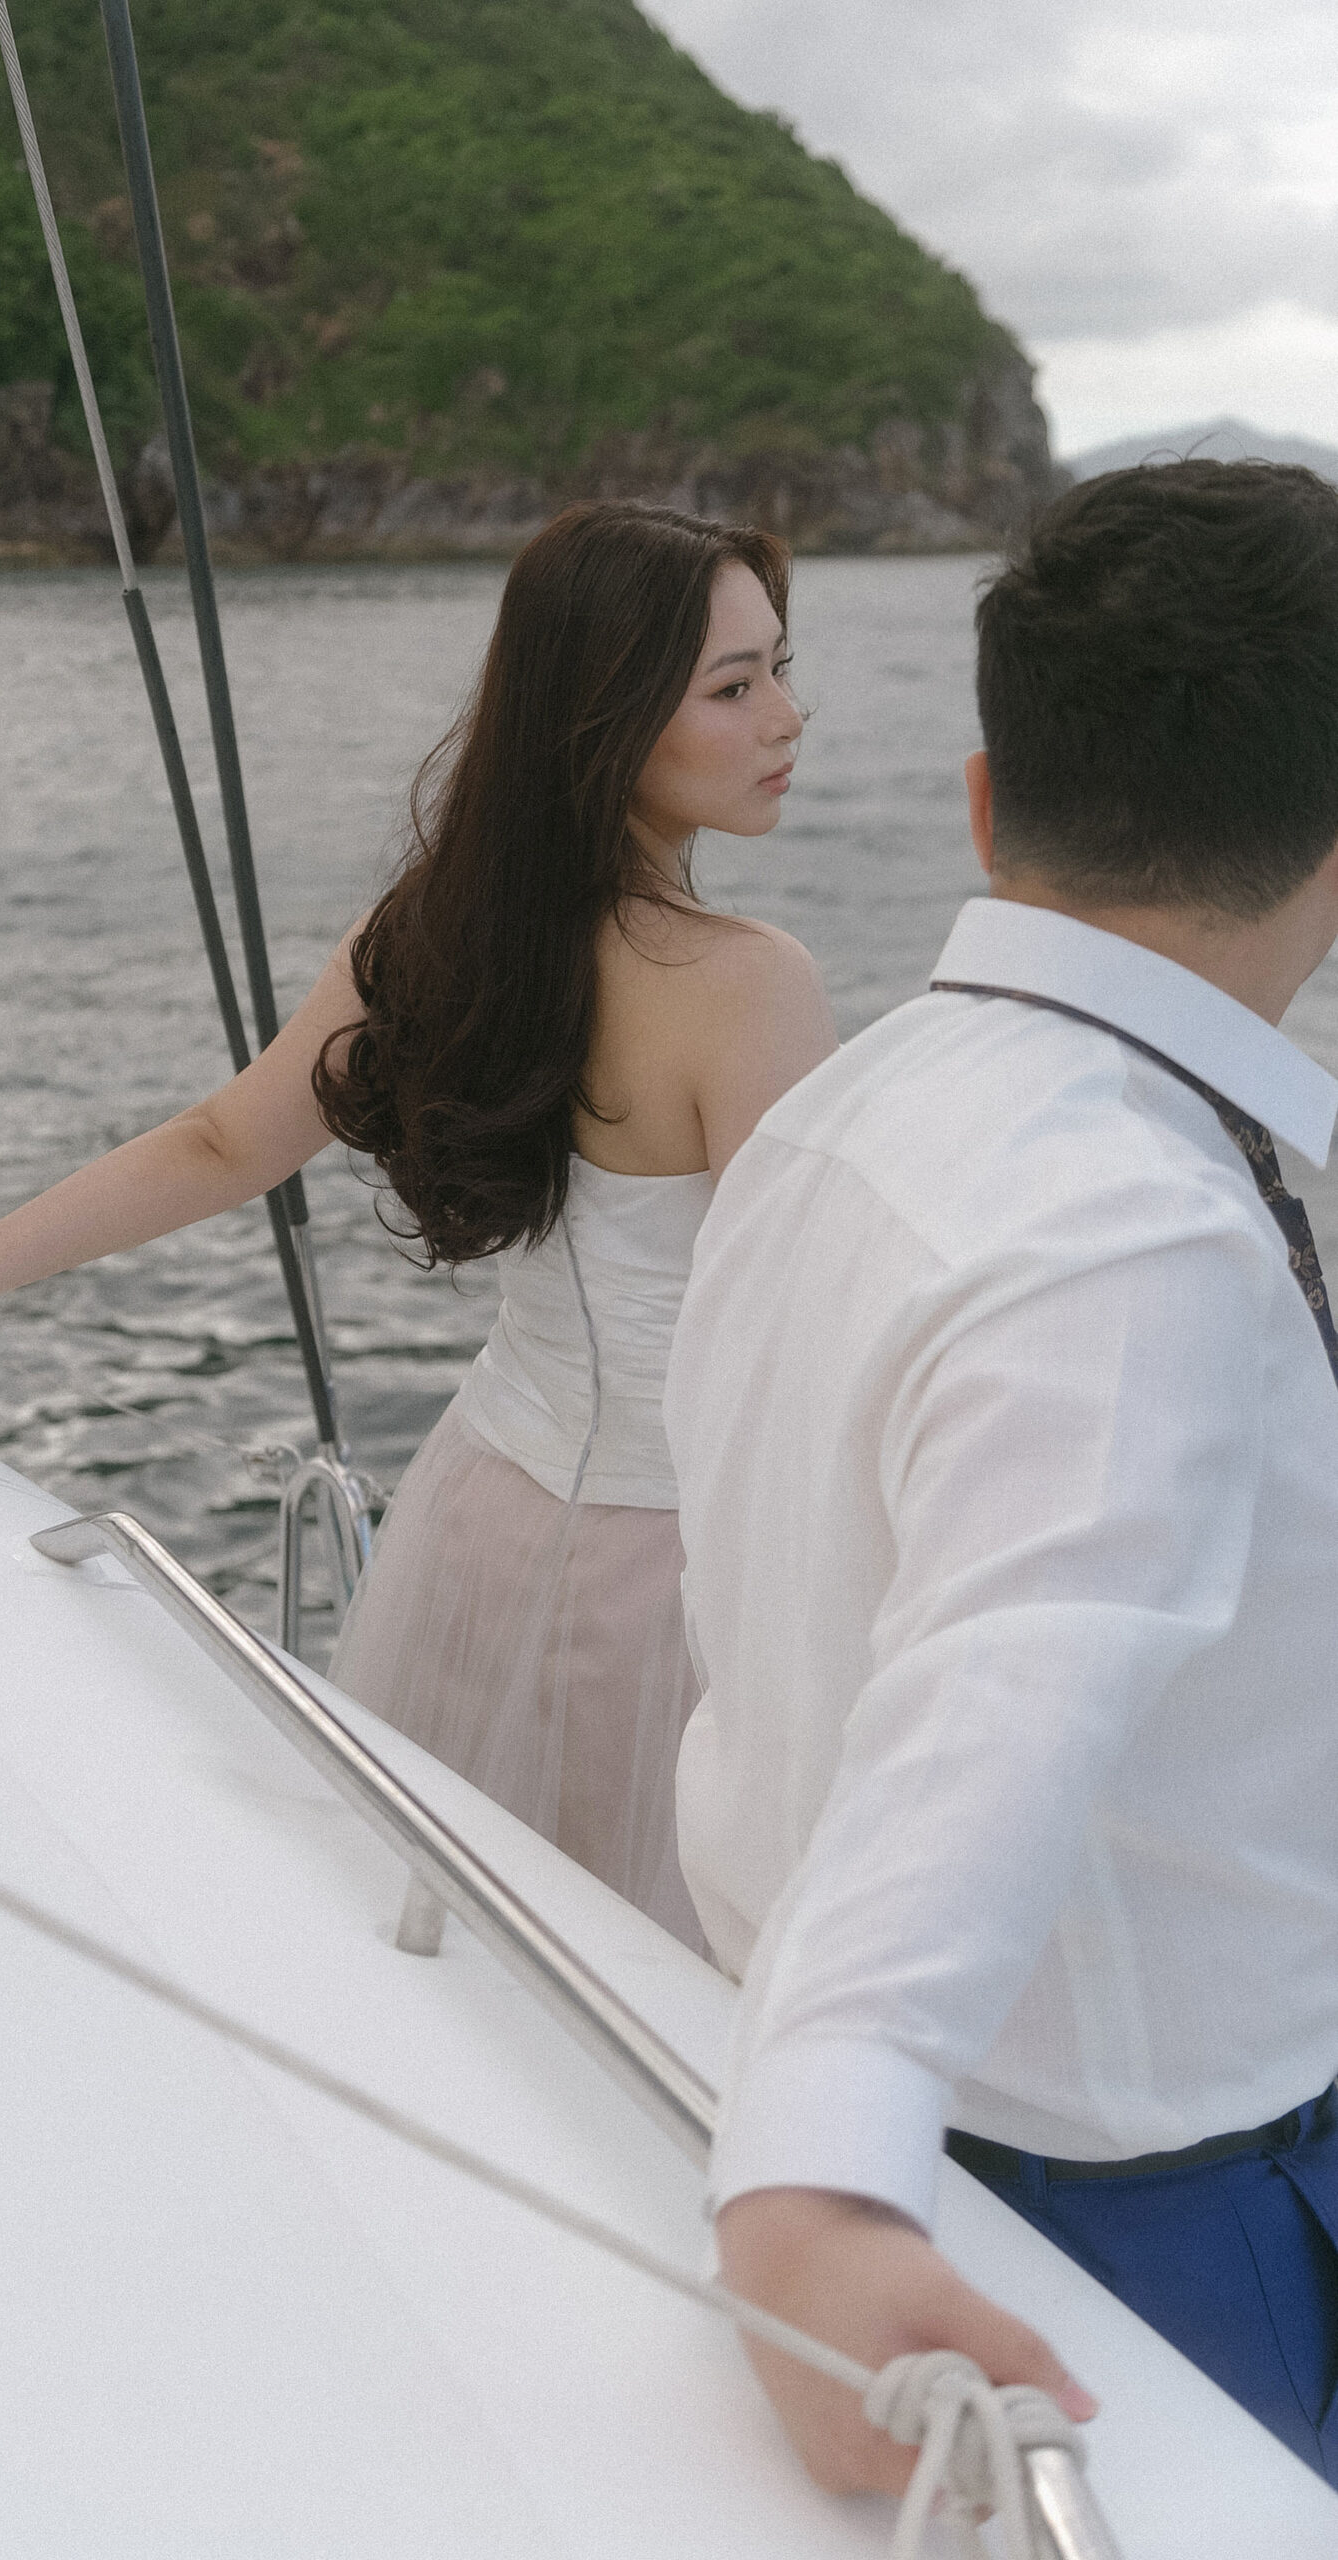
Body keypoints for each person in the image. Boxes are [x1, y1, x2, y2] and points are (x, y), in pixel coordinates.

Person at [0, 500, 835, 1949]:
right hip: (674, 1587)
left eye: (781, 669)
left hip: (478, 1528)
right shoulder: (750, 984)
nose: (787, 717)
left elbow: (225, 1143)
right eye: (734, 686)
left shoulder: (440, 930)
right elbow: (813, 1342)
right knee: (663, 1992)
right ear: (606, 716)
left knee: (444, 1954)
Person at [666, 457, 1338, 2487]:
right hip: (1160, 2207)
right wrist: (814, 2184)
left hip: (936, 2092)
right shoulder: (1133, 1232)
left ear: (983, 800)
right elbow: (998, 1695)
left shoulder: (847, 1108)